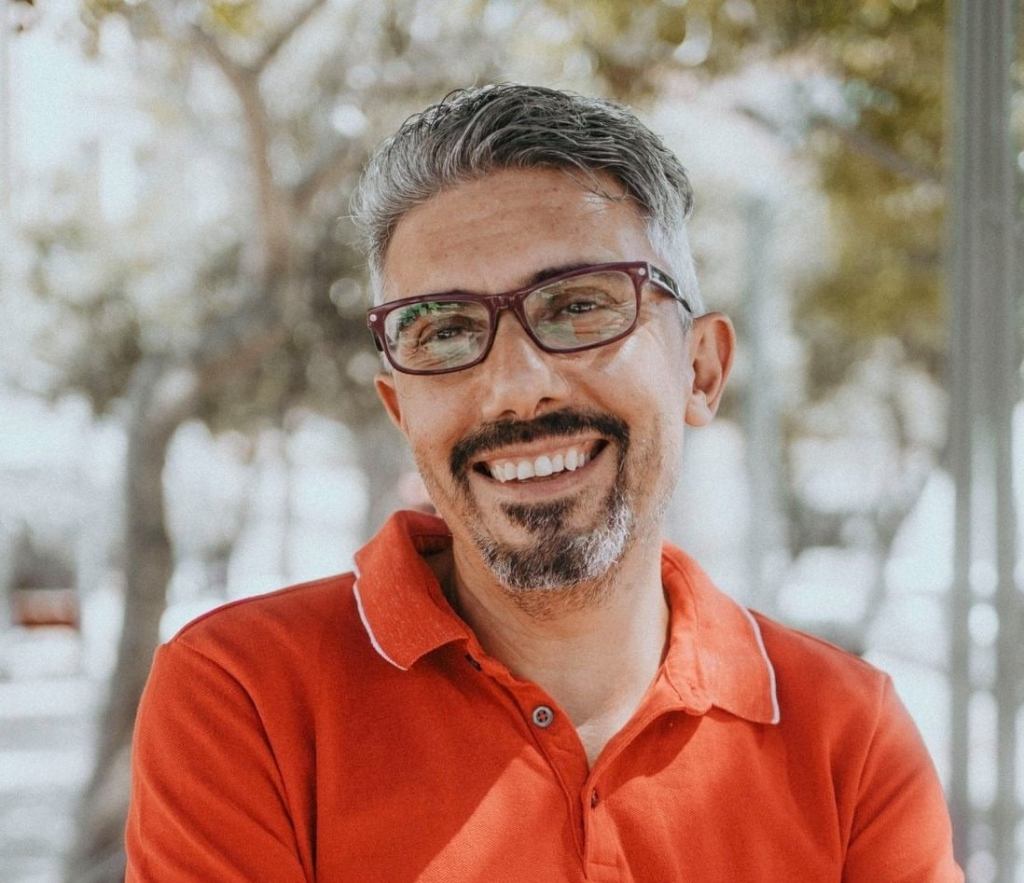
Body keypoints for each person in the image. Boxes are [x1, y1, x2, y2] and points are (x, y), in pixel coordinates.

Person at [125, 84, 962, 882]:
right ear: (400, 410)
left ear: (701, 370)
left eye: (579, 306)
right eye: (444, 329)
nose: (516, 388)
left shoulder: (849, 736)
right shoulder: (245, 695)